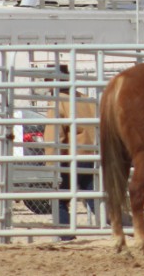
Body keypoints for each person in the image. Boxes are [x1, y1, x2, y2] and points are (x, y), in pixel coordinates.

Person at [44, 64, 98, 241]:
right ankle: (120, 226)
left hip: (70, 158)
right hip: (91, 155)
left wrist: (51, 161)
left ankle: (66, 235)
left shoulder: (58, 102)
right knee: (94, 198)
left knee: (59, 199)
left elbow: (55, 135)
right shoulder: (86, 100)